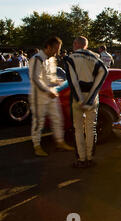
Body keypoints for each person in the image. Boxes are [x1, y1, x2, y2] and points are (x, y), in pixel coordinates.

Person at [64, 36, 108, 168]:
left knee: (78, 129)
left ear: (76, 44)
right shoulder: (95, 57)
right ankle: (90, 158)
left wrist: (79, 98)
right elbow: (104, 71)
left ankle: (81, 159)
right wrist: (92, 95)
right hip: (92, 97)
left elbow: (72, 80)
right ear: (86, 45)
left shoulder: (70, 58)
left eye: (73, 43)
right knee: (91, 128)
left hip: (78, 97)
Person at [29, 37, 74, 157]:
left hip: (52, 94)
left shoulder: (52, 60)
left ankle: (60, 142)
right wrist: (47, 90)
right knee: (38, 122)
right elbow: (35, 78)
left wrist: (58, 82)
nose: (57, 52)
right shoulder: (37, 59)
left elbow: (50, 78)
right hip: (39, 96)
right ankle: (37, 145)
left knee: (57, 119)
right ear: (48, 46)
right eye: (56, 49)